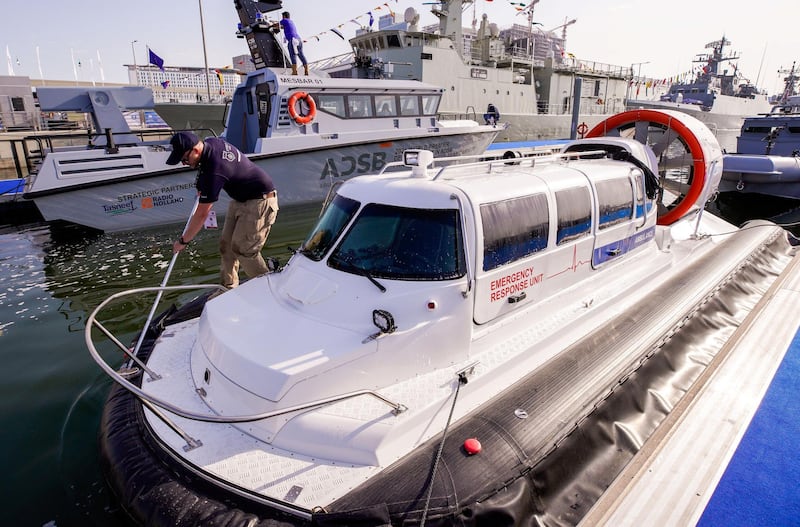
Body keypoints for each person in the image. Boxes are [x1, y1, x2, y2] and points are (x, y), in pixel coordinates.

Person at [166, 131, 279, 289]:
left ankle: (267, 289)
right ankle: (228, 287)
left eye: (184, 159)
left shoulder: (215, 170)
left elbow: (201, 214)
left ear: (196, 151)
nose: (184, 163)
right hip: (240, 198)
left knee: (244, 249)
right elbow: (204, 169)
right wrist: (201, 185)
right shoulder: (211, 143)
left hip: (260, 201)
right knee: (226, 245)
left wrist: (183, 241)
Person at [274, 11, 308, 76]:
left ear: (284, 16)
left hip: (292, 40)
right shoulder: (291, 21)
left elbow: (277, 24)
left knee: (293, 55)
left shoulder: (284, 20)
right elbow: (282, 27)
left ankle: (295, 72)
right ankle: (306, 71)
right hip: (299, 40)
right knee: (301, 55)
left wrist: (270, 25)